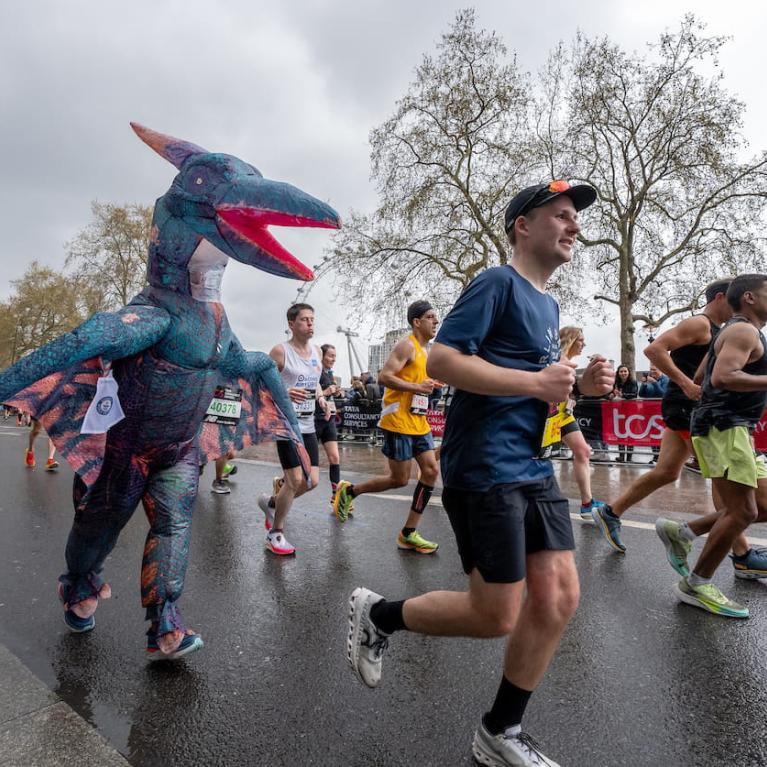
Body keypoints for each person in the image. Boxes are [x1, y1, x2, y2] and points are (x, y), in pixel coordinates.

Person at [345, 180, 613, 766]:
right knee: (497, 615)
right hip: (486, 464)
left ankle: (501, 731)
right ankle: (378, 613)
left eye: (576, 219)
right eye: (561, 216)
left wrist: (578, 386)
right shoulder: (497, 282)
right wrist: (536, 381)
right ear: (523, 224)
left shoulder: (549, 305)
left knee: (561, 596)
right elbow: (442, 360)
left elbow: (537, 387)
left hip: (533, 464)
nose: (574, 227)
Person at [592, 279, 754, 565]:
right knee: (721, 476)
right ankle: (741, 554)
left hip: (693, 408)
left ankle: (610, 512)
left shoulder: (724, 330)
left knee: (667, 471)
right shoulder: (700, 324)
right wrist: (686, 384)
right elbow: (654, 350)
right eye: (734, 299)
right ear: (719, 297)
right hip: (687, 408)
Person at [661, 274, 767, 618]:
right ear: (749, 297)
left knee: (762, 504)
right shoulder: (743, 331)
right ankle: (696, 583)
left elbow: (700, 378)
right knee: (744, 512)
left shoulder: (730, 331)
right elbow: (722, 377)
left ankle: (684, 531)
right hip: (725, 428)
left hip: (729, 427)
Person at [333, 301, 440, 554]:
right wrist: (417, 387)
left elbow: (415, 381)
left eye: (436, 317)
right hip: (398, 422)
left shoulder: (426, 351)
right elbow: (384, 377)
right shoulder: (407, 345)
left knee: (431, 471)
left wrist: (430, 383)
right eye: (430, 317)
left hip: (418, 421)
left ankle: (408, 533)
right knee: (399, 479)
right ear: (416, 322)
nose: (436, 321)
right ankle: (350, 491)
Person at [257, 304, 331, 555]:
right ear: (291, 324)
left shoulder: (318, 353)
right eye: (304, 320)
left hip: (308, 425)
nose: (310, 324)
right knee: (295, 480)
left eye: (312, 319)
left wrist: (321, 399)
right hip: (286, 424)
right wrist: (285, 392)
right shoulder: (280, 352)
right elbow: (260, 385)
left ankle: (271, 503)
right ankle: (275, 533)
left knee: (311, 481)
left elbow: (315, 382)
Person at [558, 327, 606, 519]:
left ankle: (587, 503)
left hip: (563, 414)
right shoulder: (557, 359)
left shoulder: (569, 363)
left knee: (583, 451)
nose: (584, 344)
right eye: (580, 340)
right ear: (569, 340)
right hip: (547, 416)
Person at [316, 344, 343, 504]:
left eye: (335, 356)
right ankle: (283, 483)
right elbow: (308, 393)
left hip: (329, 419)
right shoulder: (315, 372)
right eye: (330, 355)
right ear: (322, 356)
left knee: (334, 457)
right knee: (304, 462)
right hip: (315, 419)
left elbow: (328, 394)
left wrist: (336, 392)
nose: (333, 359)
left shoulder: (329, 373)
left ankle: (336, 496)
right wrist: (326, 392)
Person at [639, 365, 668, 462]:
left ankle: (662, 456)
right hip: (649, 412)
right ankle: (655, 455)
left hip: (660, 412)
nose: (652, 371)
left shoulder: (665, 380)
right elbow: (642, 394)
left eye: (654, 369)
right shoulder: (649, 380)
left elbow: (663, 394)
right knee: (652, 434)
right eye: (651, 370)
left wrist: (655, 383)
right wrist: (644, 384)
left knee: (661, 434)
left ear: (660, 369)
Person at [610, 365, 638, 463]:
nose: (623, 373)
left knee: (630, 434)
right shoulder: (616, 383)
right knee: (620, 433)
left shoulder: (633, 382)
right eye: (621, 371)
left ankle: (629, 457)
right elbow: (610, 393)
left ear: (628, 372)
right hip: (619, 411)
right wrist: (612, 394)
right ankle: (621, 456)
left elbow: (634, 394)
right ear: (618, 373)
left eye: (625, 371)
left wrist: (622, 395)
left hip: (631, 411)